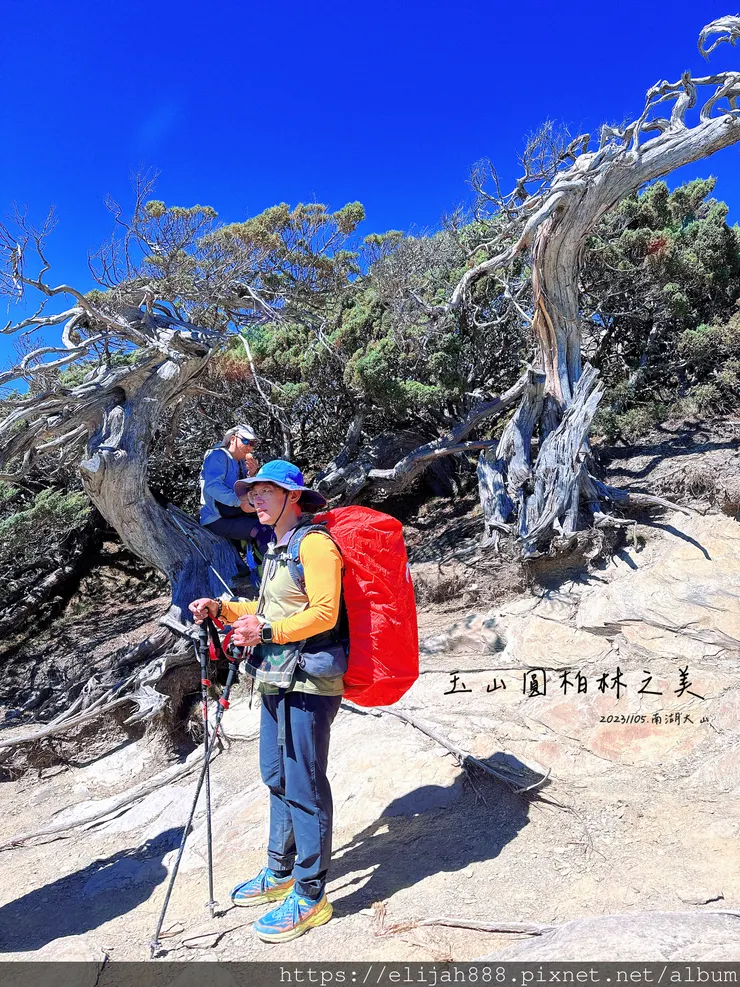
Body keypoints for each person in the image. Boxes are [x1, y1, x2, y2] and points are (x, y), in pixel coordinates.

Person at [189, 460, 346, 943]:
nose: (255, 499)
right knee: (276, 775)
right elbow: (266, 608)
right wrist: (222, 608)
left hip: (309, 679)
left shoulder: (314, 544)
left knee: (304, 784)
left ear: (293, 497)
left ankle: (311, 895)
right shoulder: (277, 547)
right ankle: (280, 871)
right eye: (252, 493)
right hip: (276, 674)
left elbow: (325, 613)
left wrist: (268, 632)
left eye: (265, 492)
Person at [199, 424, 272, 581]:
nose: (250, 447)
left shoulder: (239, 461)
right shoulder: (218, 456)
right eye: (246, 441)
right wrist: (238, 502)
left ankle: (261, 564)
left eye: (253, 443)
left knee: (271, 521)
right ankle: (269, 574)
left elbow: (242, 488)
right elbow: (213, 486)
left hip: (232, 513)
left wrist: (253, 474)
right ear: (233, 439)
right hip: (217, 518)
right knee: (262, 530)